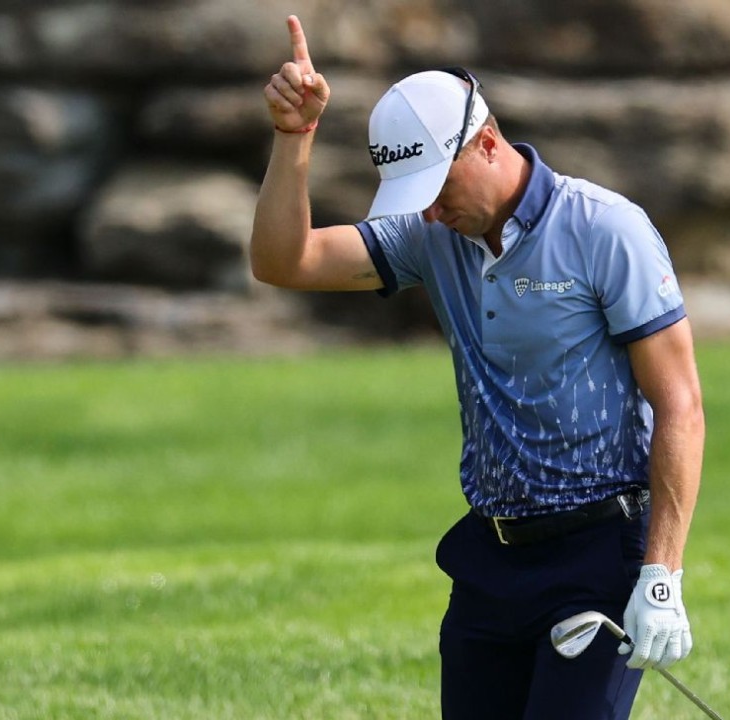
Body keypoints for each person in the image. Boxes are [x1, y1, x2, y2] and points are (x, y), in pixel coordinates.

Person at [252, 15, 706, 720]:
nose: (430, 209)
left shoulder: (603, 229)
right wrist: (294, 137)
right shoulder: (431, 236)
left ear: (487, 142)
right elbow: (285, 261)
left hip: (597, 554)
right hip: (489, 559)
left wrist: (660, 577)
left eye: (438, 185)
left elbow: (680, 405)